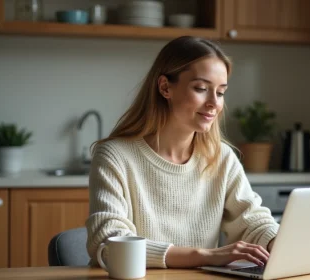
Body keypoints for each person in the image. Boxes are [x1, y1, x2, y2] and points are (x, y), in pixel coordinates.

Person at [85, 36, 279, 269]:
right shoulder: (114, 156)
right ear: (165, 87)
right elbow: (110, 243)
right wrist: (206, 255)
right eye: (201, 89)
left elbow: (252, 221)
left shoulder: (222, 157)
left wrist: (279, 242)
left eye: (220, 92)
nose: (213, 103)